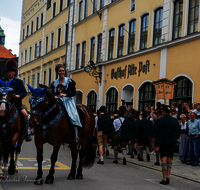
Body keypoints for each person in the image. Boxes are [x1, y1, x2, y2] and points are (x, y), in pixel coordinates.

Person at [51, 64, 82, 150]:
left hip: (68, 101)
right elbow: (53, 93)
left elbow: (74, 93)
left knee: (74, 116)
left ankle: (76, 136)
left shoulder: (70, 81)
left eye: (63, 71)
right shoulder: (54, 83)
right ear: (57, 72)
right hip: (58, 101)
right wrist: (55, 96)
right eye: (60, 71)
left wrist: (65, 94)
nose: (62, 72)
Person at [1, 60, 31, 142]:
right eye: (8, 72)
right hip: (5, 103)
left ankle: (26, 133)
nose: (9, 73)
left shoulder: (19, 82)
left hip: (17, 103)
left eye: (11, 72)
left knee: (25, 114)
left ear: (14, 72)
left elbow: (24, 92)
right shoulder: (3, 81)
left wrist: (19, 95)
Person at [155, 105, 181, 185]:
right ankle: (168, 176)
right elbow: (179, 132)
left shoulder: (159, 120)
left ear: (164, 112)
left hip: (163, 141)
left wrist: (156, 144)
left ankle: (164, 177)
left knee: (163, 159)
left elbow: (156, 133)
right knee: (169, 158)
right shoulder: (175, 120)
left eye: (162, 111)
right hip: (172, 141)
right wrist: (174, 138)